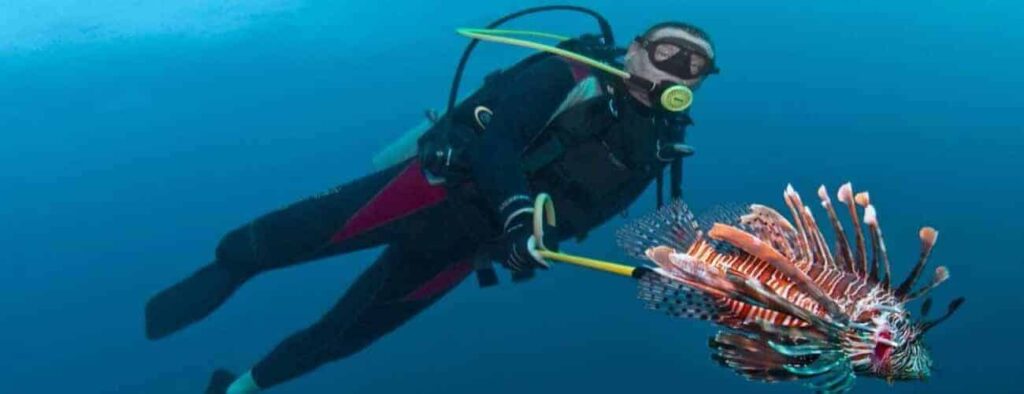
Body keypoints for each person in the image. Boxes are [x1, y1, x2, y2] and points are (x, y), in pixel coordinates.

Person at [145, 13, 719, 393]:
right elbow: (495, 138)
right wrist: (520, 211)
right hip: (428, 191)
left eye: (694, 66)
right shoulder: (570, 72)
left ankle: (238, 389)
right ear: (637, 50)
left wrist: (531, 245)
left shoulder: (660, 146)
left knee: (342, 338)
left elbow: (589, 211)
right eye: (670, 53)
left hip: (468, 248)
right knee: (265, 244)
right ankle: (220, 275)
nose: (679, 72)